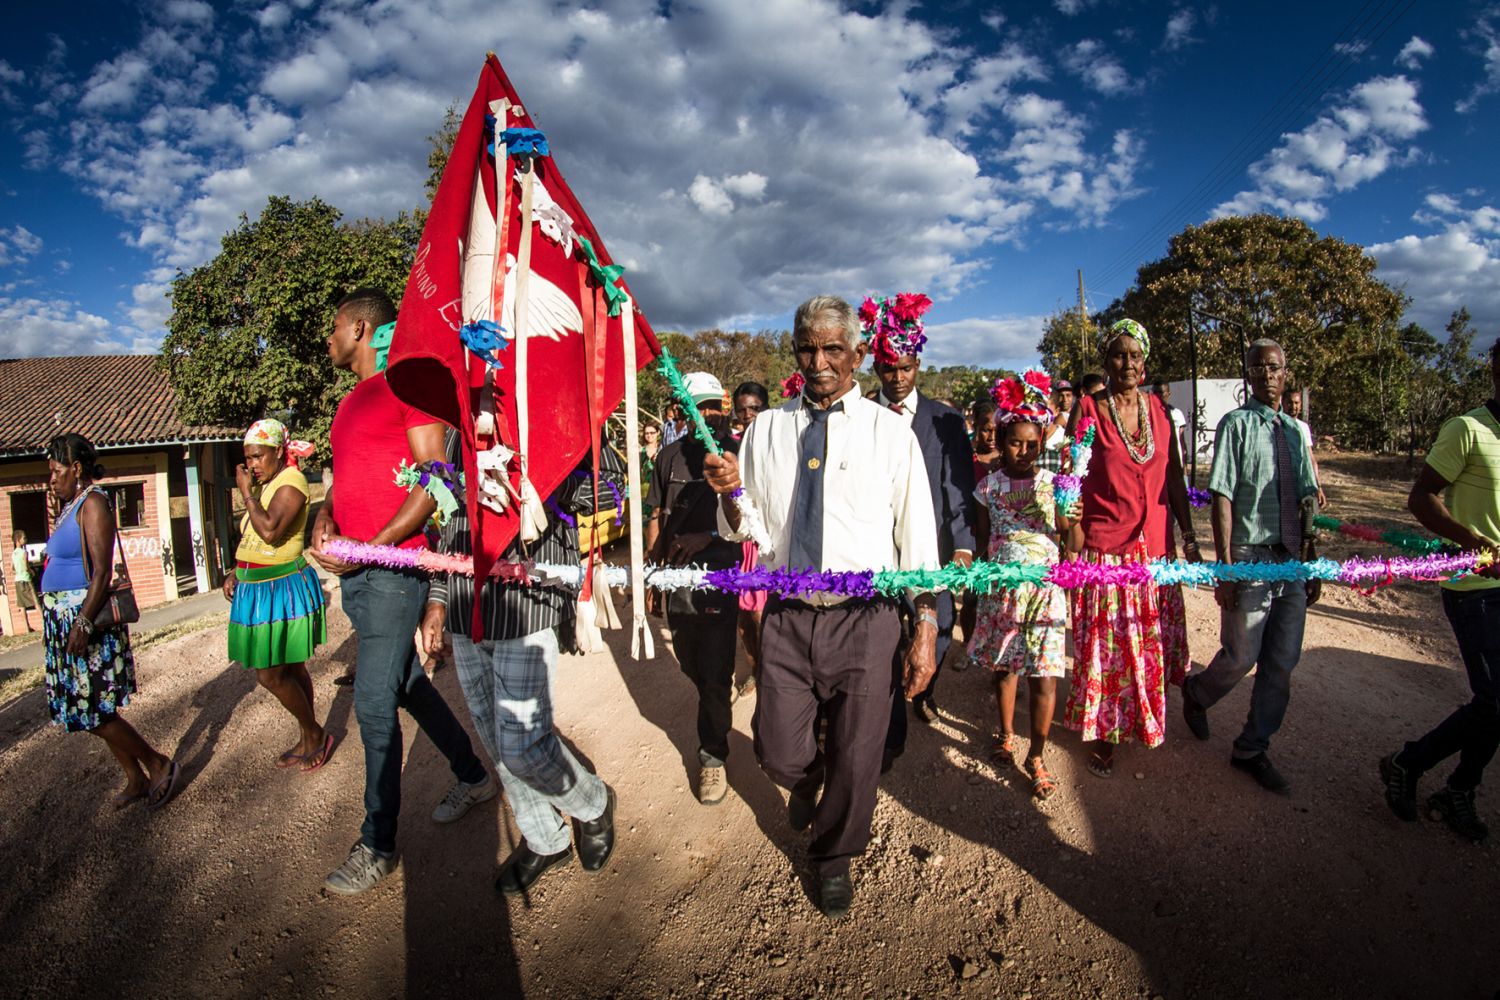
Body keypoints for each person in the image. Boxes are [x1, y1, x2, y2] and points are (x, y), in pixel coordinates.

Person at [703, 295, 939, 920]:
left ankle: (833, 858)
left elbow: (916, 536)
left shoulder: (891, 434)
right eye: (808, 346)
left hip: (867, 621)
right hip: (786, 614)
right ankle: (806, 781)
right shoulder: (767, 430)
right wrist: (730, 498)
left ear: (858, 353)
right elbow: (742, 526)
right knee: (778, 749)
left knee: (859, 756)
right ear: (795, 351)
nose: (820, 360)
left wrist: (925, 624)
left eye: (833, 347)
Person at [306, 287, 493, 895]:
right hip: (359, 577)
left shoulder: (408, 387)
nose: (328, 339)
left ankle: (378, 843)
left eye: (335, 328)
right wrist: (326, 519)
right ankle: (471, 772)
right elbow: (344, 481)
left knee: (373, 701)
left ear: (361, 329)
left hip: (393, 571)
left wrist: (375, 546)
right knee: (408, 685)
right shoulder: (348, 404)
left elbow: (439, 482)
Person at [420, 432, 616, 894]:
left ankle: (593, 802)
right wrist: (438, 600)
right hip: (468, 606)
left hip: (528, 599)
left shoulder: (553, 401)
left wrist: (550, 477)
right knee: (493, 735)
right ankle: (545, 838)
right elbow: (449, 521)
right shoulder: (455, 428)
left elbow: (609, 487)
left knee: (522, 746)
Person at [1180, 341, 1320, 795]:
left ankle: (1251, 748)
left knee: (1281, 662)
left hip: (1291, 559)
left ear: (1286, 372)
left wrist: (1311, 562)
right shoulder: (1235, 425)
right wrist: (1225, 568)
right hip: (1249, 555)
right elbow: (1221, 494)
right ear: (1248, 375)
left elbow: (1306, 502)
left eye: (1274, 366)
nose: (1265, 373)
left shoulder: (1298, 432)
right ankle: (1197, 693)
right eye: (1256, 366)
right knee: (1242, 656)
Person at [1064, 319, 1201, 777]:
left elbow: (1175, 477)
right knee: (1109, 648)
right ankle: (1104, 731)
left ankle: (1143, 718)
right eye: (1119, 355)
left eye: (1135, 355)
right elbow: (1072, 482)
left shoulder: (1159, 411)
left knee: (1148, 644)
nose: (1127, 363)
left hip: (1154, 548)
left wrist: (1188, 535)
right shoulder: (1087, 409)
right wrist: (1072, 543)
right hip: (1107, 548)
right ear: (1105, 361)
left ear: (1145, 363)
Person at [1380, 340, 1500, 842]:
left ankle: (1458, 790)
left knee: (1496, 703)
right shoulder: (1468, 429)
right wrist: (1472, 540)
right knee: (1495, 700)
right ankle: (1409, 763)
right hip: (1476, 587)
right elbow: (1420, 496)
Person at [40, 433, 179, 809]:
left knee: (93, 711)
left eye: (56, 471)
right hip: (64, 620)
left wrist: (83, 624)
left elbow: (101, 572)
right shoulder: (69, 506)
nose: (51, 479)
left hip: (85, 621)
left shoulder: (94, 504)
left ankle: (157, 763)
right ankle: (135, 778)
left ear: (77, 468)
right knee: (91, 708)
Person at [968, 375, 1080, 800]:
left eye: (1033, 443)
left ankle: (1037, 754)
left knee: (1046, 677)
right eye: (1015, 442)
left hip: (1045, 596)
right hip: (1002, 594)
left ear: (1041, 443)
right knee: (1005, 670)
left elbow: (1073, 542)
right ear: (1001, 439)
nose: (1024, 451)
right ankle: (1006, 733)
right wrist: (982, 584)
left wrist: (1075, 516)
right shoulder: (987, 488)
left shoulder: (1055, 487)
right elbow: (982, 541)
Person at [869, 301, 975, 746]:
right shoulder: (859, 417)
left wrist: (964, 545)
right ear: (876, 365)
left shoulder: (946, 421)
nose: (897, 378)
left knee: (938, 625)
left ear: (919, 364)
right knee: (884, 632)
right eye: (889, 368)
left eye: (906, 367)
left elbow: (959, 487)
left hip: (932, 549)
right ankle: (887, 705)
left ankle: (925, 692)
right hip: (874, 550)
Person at [646, 372, 745, 805]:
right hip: (676, 581)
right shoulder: (667, 457)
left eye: (712, 407)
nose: (707, 416)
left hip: (719, 577)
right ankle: (714, 693)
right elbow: (656, 515)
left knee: (715, 670)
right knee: (690, 662)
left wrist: (709, 538)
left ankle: (712, 757)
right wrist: (653, 570)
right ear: (682, 412)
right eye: (696, 408)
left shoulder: (737, 456)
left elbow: (752, 520)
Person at [224, 418, 332, 771]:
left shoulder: (292, 481)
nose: (252, 465)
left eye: (257, 457)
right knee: (291, 666)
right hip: (256, 587)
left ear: (278, 451)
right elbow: (253, 537)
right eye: (248, 458)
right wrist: (235, 570)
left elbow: (269, 530)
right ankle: (308, 734)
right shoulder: (269, 485)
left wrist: (245, 493)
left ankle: (314, 733)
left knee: (268, 674)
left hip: (280, 585)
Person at [731, 381, 771, 695]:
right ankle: (757, 670)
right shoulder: (731, 447)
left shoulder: (778, 443)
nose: (748, 414)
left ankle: (773, 675)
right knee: (745, 617)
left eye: (755, 407)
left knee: (760, 613)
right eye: (742, 409)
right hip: (740, 542)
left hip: (769, 543)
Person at [1286, 391, 1326, 508]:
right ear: (1283, 403)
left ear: (1300, 405)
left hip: (1300, 482)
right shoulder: (1276, 424)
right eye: (1290, 403)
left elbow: (1310, 458)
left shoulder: (1303, 427)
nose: (1293, 406)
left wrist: (1318, 486)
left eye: (1296, 403)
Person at [11, 530, 38, 633]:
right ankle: (43, 622)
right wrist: (32, 572)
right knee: (36, 602)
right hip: (26, 579)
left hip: (18, 580)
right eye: (24, 538)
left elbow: (12, 568)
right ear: (18, 540)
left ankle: (27, 627)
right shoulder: (24, 552)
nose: (25, 540)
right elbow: (26, 566)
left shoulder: (13, 554)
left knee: (22, 605)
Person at [1153, 380, 1189, 458]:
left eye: (1161, 392)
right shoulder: (1147, 414)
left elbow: (1181, 439)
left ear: (1168, 394)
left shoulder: (1177, 413)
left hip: (1174, 458)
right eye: (1155, 392)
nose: (1157, 395)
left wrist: (1184, 460)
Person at [970, 399, 1000, 481]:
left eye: (997, 430)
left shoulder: (1008, 459)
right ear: (976, 427)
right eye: (986, 430)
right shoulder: (966, 458)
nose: (992, 438)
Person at [640, 422, 662, 523]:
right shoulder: (641, 451)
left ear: (657, 432)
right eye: (646, 433)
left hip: (659, 490)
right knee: (645, 521)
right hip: (644, 491)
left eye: (652, 432)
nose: (649, 435)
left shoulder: (662, 450)